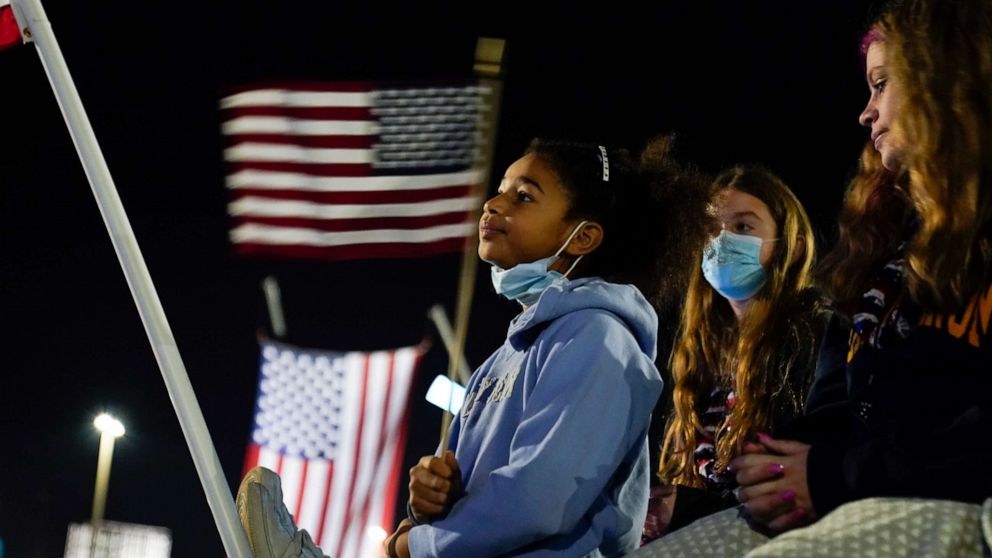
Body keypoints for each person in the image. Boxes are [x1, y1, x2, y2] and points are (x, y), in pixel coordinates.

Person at [238, 137, 710, 558]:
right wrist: (427, 498)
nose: (493, 204)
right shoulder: (503, 358)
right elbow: (461, 495)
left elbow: (541, 500)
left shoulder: (599, 338)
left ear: (582, 236)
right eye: (502, 189)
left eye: (523, 197)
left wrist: (413, 545)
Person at [634, 0, 992, 554]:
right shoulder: (879, 261)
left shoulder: (802, 324)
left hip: (941, 498)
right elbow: (831, 416)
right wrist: (771, 468)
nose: (865, 113)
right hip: (858, 490)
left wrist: (827, 472)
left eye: (880, 84)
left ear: (944, 81)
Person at [642, 166, 822, 542]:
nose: (722, 241)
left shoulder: (809, 337)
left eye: (743, 227)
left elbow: (784, 484)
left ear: (793, 245)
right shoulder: (701, 352)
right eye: (712, 230)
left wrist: (685, 508)